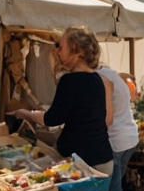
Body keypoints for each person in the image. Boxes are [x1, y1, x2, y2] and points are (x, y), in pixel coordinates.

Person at [13, 26, 113, 176]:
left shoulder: (70, 80)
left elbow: (51, 119)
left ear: (76, 51)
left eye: (60, 46)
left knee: (28, 174)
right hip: (103, 160)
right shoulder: (99, 79)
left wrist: (26, 113)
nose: (57, 51)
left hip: (81, 164)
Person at [98, 62, 137, 191]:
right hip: (128, 138)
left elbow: (107, 117)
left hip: (116, 140)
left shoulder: (102, 79)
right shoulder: (114, 75)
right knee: (114, 190)